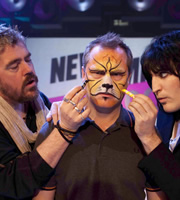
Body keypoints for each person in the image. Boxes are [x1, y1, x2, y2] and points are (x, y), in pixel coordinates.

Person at [33, 32, 167, 200]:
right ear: (83, 74)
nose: (107, 83)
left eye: (117, 74)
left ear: (128, 78)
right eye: (97, 72)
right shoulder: (55, 129)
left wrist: (149, 137)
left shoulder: (146, 134)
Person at [0, 24, 74, 199]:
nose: (29, 70)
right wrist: (64, 131)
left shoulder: (40, 103)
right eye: (14, 66)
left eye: (28, 59)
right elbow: (12, 184)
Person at [128, 30, 180, 200]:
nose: (155, 87)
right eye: (151, 77)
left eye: (163, 74)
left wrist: (150, 138)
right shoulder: (166, 116)